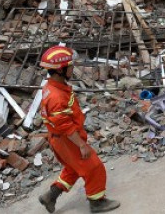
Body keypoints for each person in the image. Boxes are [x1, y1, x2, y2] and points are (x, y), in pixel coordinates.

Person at [37, 46, 120, 213]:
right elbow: (64, 125)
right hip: (67, 139)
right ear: (60, 70)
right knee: (94, 168)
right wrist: (81, 145)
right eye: (70, 66)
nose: (73, 69)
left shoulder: (52, 88)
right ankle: (97, 202)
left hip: (60, 139)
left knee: (74, 168)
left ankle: (50, 196)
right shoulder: (56, 96)